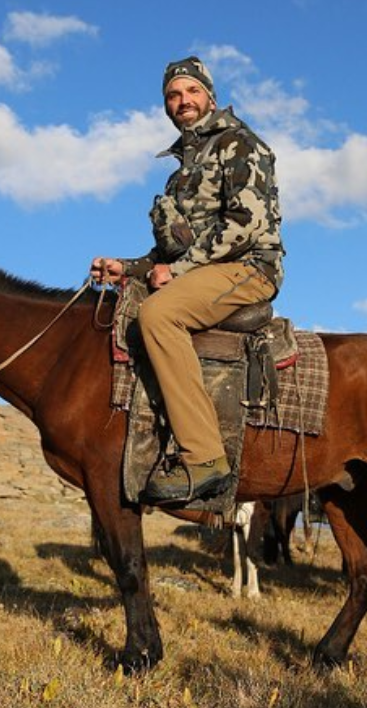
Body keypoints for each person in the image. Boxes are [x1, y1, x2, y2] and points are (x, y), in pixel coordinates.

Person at [90, 56, 284, 504]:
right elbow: (168, 253)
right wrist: (127, 267)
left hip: (249, 267)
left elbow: (245, 224)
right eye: (173, 95)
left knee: (158, 315)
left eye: (191, 92)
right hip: (206, 269)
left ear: (210, 97)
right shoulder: (181, 172)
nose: (183, 101)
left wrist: (175, 272)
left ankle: (204, 459)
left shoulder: (239, 144)